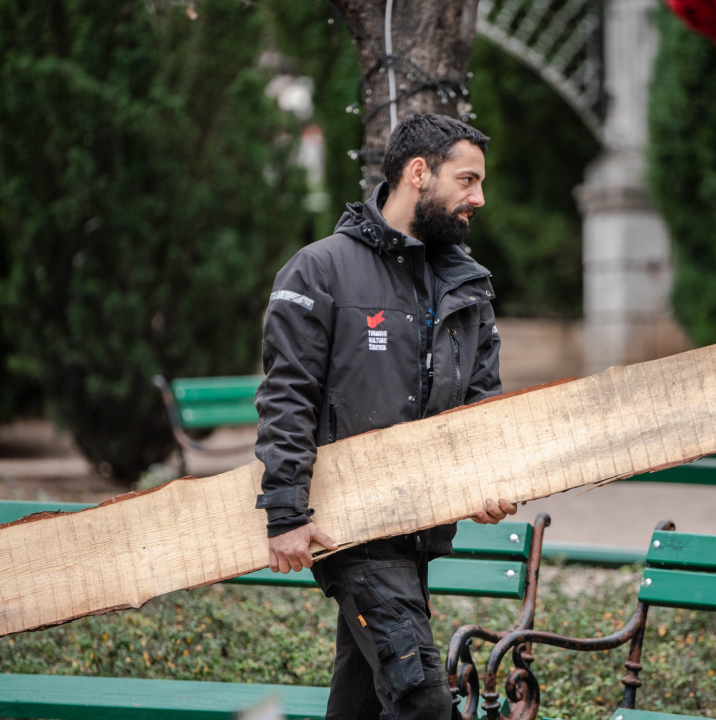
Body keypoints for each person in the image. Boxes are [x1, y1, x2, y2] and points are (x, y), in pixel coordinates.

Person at [254, 113, 516, 720]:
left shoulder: (466, 285)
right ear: (419, 173)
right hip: (348, 528)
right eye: (467, 180)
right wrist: (286, 510)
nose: (479, 198)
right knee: (421, 696)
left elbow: (482, 402)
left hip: (419, 526)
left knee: (364, 700)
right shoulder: (319, 270)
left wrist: (487, 482)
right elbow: (287, 394)